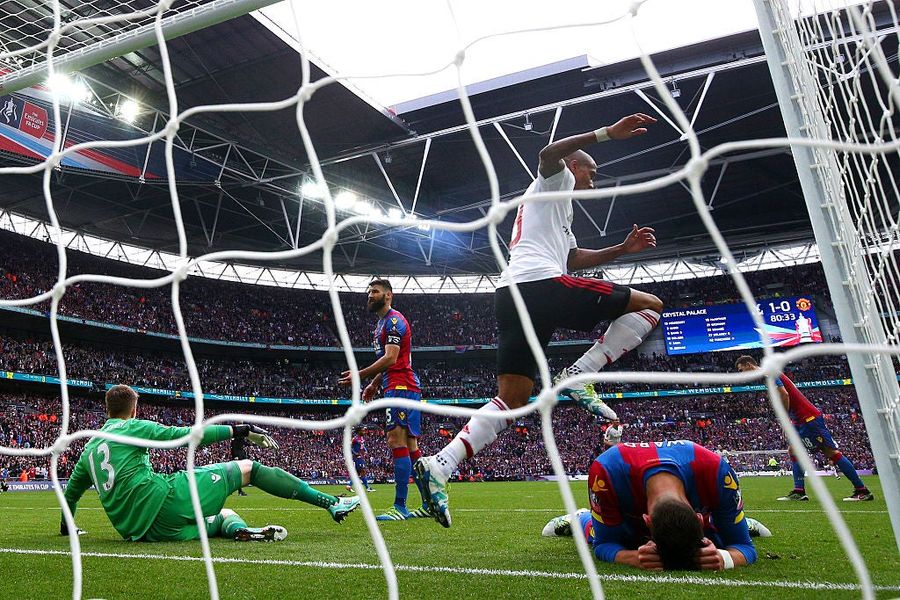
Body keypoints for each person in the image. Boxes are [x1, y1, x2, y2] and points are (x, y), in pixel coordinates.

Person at [415, 114, 663, 527]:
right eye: (593, 173)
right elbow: (548, 152)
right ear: (576, 167)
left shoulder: (557, 213)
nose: (593, 182)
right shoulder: (556, 180)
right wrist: (605, 132)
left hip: (511, 294)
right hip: (542, 285)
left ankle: (442, 464)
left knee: (513, 397)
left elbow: (573, 258)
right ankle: (581, 374)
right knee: (651, 305)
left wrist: (620, 249)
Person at [61, 385, 360, 542]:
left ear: (106, 409)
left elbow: (70, 496)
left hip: (142, 532)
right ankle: (331, 502)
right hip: (164, 500)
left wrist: (67, 528)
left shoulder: (88, 449)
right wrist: (240, 430)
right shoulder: (132, 427)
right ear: (134, 409)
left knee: (223, 516)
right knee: (249, 468)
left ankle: (242, 531)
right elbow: (188, 436)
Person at [542, 440, 771, 571]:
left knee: (716, 541)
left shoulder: (718, 471)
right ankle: (579, 518)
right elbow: (605, 544)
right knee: (624, 539)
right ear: (647, 520)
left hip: (700, 516)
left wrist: (725, 557)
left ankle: (726, 524)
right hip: (627, 519)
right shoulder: (606, 471)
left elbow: (744, 547)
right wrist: (631, 557)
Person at [339, 279, 430, 521]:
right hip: (398, 385)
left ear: (388, 295)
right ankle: (429, 502)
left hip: (401, 386)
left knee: (395, 440)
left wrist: (360, 375)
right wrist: (374, 383)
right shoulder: (381, 324)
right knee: (411, 448)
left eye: (375, 291)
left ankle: (400, 506)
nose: (370, 295)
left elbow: (391, 358)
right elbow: (390, 361)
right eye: (368, 291)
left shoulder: (393, 321)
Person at [735, 356, 873, 501]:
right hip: (799, 419)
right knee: (794, 450)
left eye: (741, 370)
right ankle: (799, 491)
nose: (741, 373)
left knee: (830, 452)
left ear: (749, 364)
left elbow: (784, 393)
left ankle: (862, 490)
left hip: (808, 418)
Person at [346, 427, 375, 493]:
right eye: (362, 431)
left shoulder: (361, 438)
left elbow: (362, 445)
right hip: (357, 458)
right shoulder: (355, 438)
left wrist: (365, 450)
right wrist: (355, 453)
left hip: (361, 457)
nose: (364, 432)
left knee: (360, 473)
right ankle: (367, 488)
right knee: (362, 472)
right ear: (358, 431)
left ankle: (349, 486)